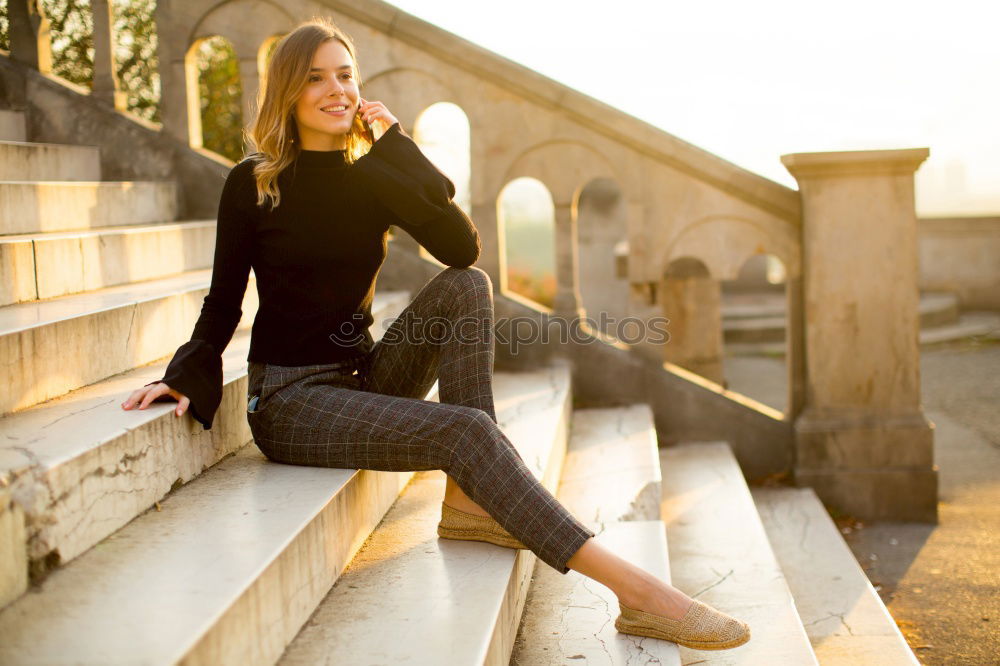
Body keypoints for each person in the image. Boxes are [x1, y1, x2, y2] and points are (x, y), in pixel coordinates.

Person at [120, 17, 749, 651]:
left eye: (345, 75)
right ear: (287, 90)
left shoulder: (371, 177)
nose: (335, 89)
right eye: (315, 78)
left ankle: (470, 500)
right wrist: (185, 375)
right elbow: (224, 301)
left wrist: (393, 143)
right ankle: (637, 593)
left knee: (468, 284)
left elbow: (459, 244)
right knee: (465, 430)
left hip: (362, 375)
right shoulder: (254, 183)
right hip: (289, 401)